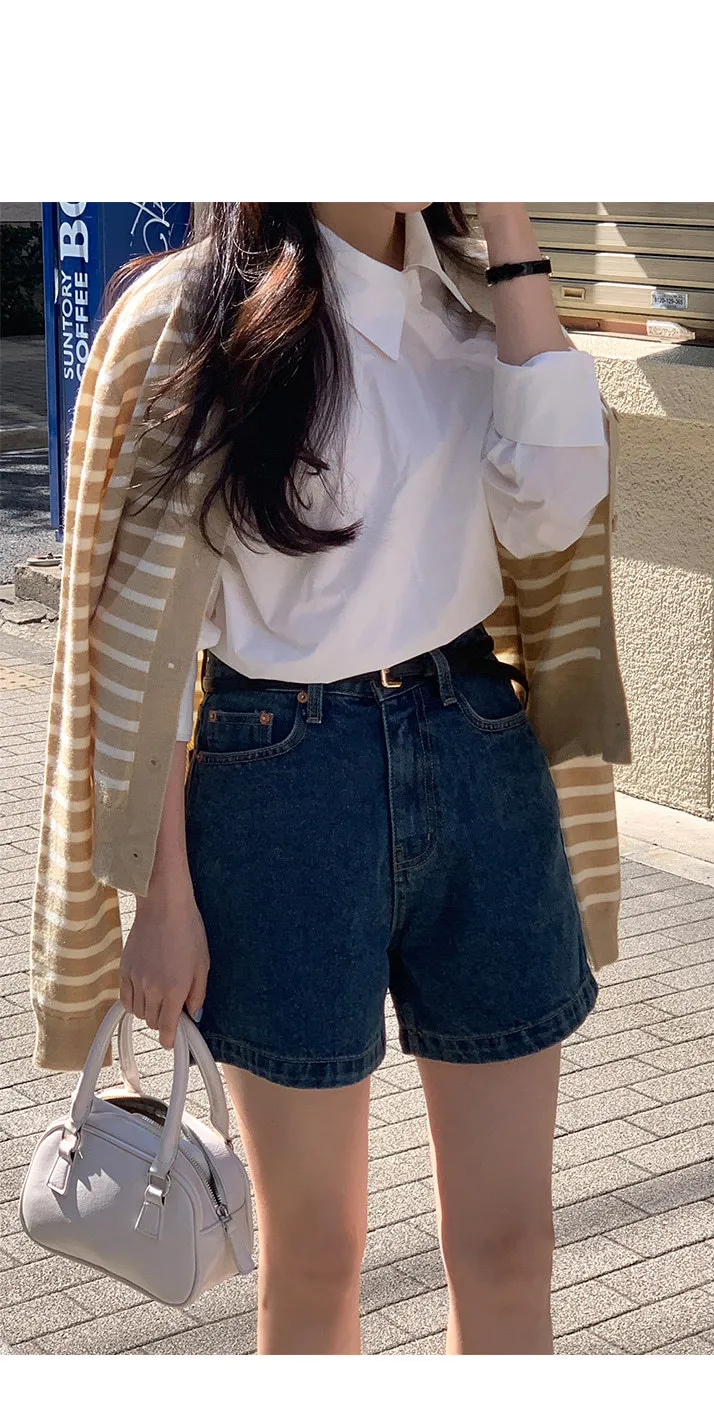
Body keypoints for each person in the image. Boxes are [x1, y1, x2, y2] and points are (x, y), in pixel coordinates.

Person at [34, 203, 620, 1354]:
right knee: (314, 1256)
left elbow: (556, 510)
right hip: (282, 778)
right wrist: (162, 894)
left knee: (513, 1245)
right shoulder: (185, 317)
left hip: (478, 753)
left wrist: (511, 232)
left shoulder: (483, 305)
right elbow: (141, 646)